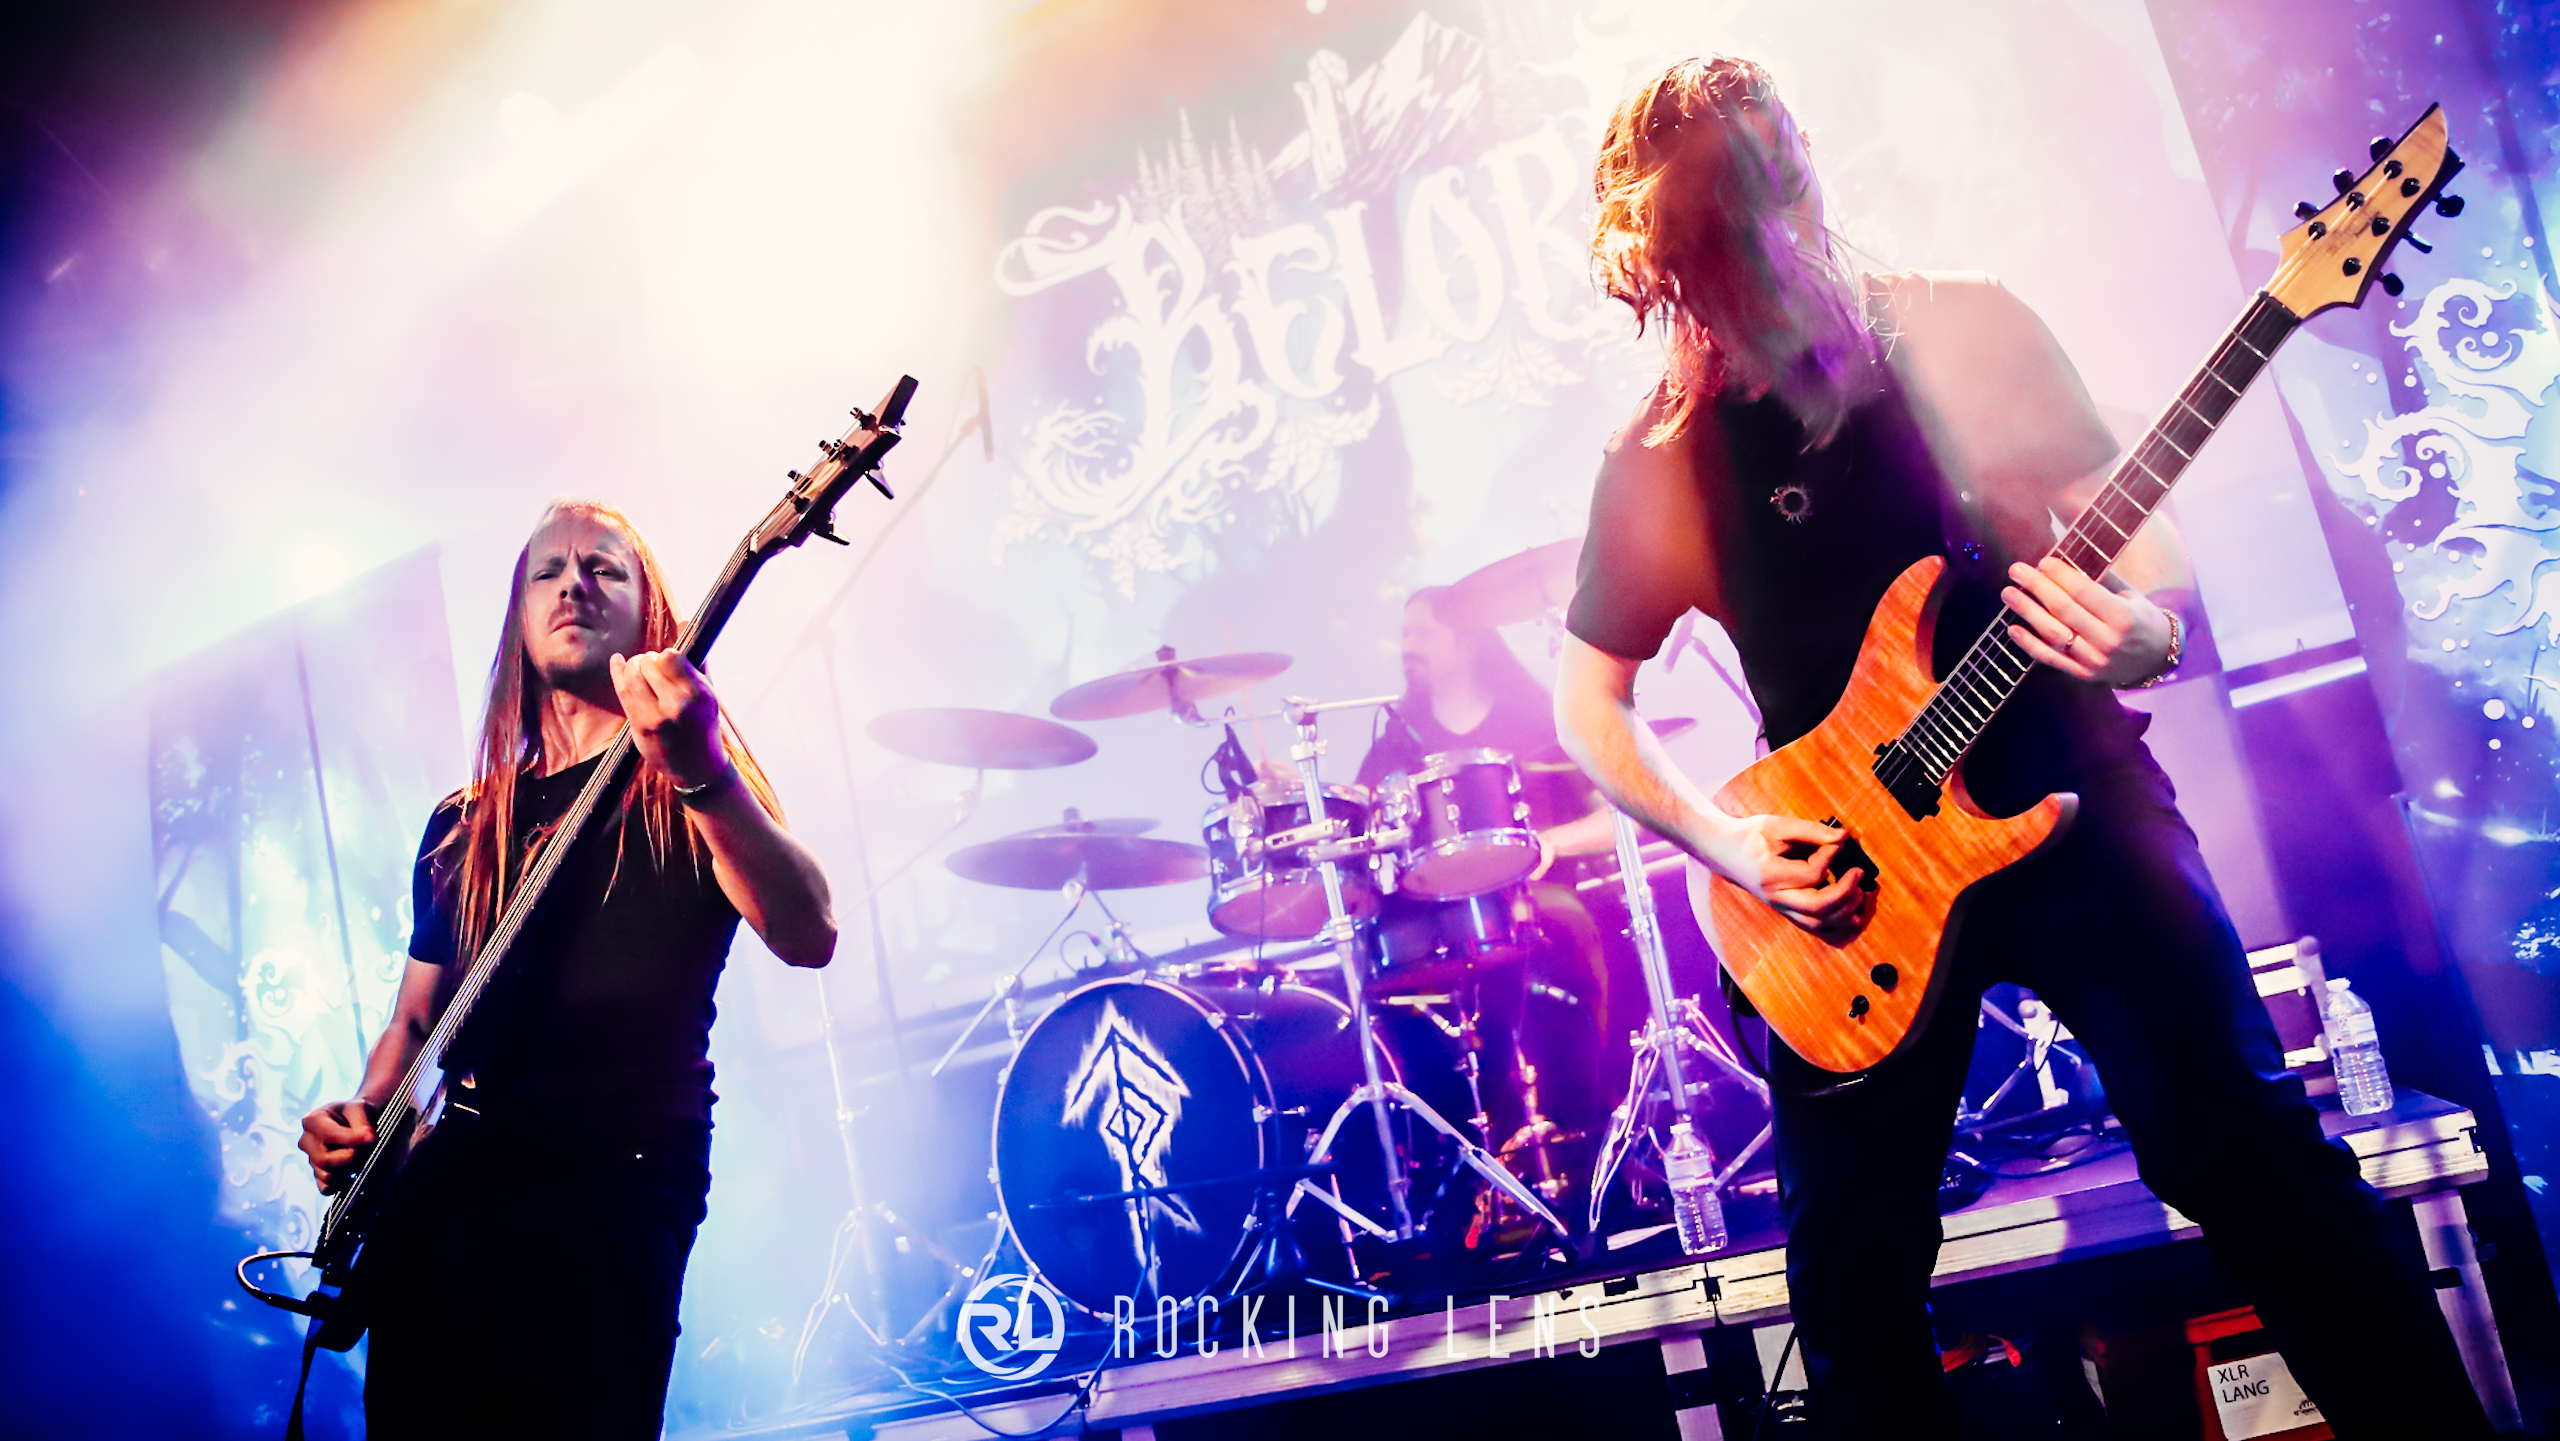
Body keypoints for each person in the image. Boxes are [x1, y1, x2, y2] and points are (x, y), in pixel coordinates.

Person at [1550, 58, 2486, 1439]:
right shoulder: (1665, 458)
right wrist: (1729, 842)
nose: (1759, 254)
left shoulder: (1960, 329)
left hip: (2073, 796)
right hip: (1846, 882)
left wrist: (2147, 632)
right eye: (1712, 237)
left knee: (2244, 1152)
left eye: (1768, 201)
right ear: (1660, 263)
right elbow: (1588, 700)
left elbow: (2135, 533)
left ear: (1800, 182)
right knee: (1851, 1276)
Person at [297, 500, 836, 1438]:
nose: (572, 585)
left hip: (616, 1178)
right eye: (547, 571)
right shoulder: (463, 822)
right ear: (517, 619)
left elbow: (809, 930)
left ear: (649, 615)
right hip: (453, 1187)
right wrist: (365, 1117)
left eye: (603, 569)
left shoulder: (688, 780)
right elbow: (418, 1018)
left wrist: (702, 769)